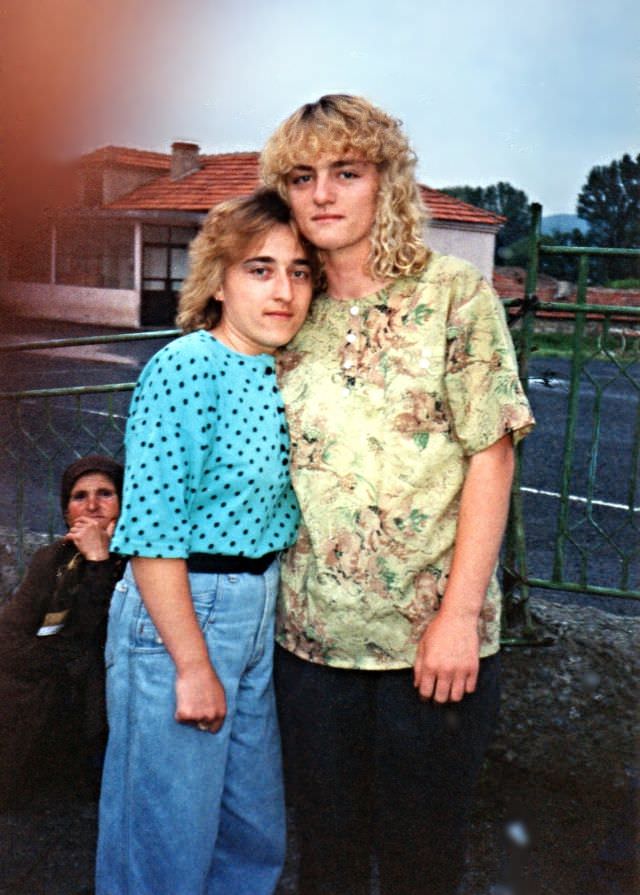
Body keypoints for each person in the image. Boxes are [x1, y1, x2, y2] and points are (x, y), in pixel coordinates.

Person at [260, 94, 536, 895]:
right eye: (304, 176)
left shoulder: (453, 295)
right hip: (309, 643)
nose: (323, 194)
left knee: (421, 858)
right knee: (329, 859)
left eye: (346, 172)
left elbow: (492, 455)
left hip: (433, 647)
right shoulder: (285, 306)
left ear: (386, 181)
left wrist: (456, 615)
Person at [95, 189, 315, 895]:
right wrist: (192, 664)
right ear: (218, 279)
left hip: (258, 607)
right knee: (165, 840)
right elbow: (152, 532)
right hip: (183, 611)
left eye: (301, 270)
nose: (284, 290)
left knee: (251, 835)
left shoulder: (286, 366)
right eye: (260, 268)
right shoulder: (187, 366)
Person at [0, 454, 125, 809]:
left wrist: (99, 562)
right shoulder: (53, 558)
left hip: (97, 683)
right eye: (79, 496)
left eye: (106, 493)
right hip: (52, 670)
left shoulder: (133, 563)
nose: (92, 505)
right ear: (67, 511)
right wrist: (53, 656)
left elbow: (91, 636)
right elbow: (10, 634)